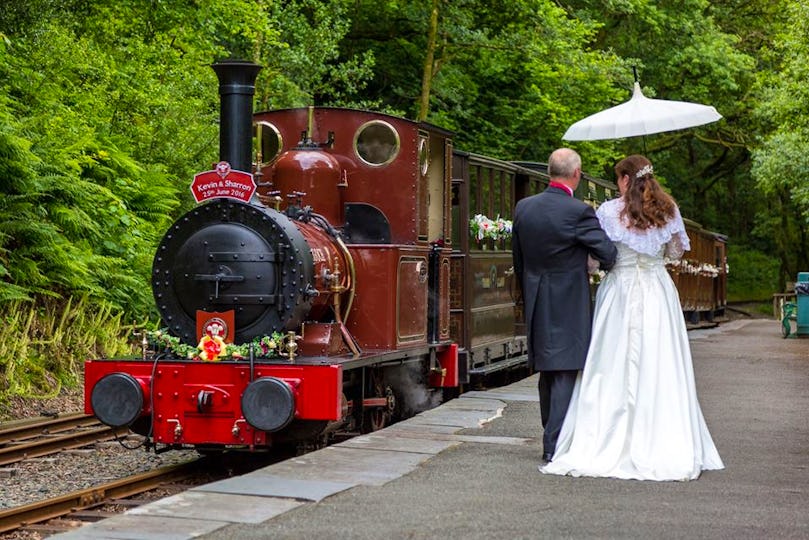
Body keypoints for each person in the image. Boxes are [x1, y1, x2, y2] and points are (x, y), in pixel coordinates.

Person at [540, 154, 724, 481]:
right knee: (660, 361)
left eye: (618, 179)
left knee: (611, 360)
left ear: (625, 180)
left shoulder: (609, 212)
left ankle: (604, 438)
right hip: (656, 290)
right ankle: (664, 439)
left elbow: (596, 260)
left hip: (620, 292)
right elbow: (675, 253)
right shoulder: (668, 209)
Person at [512, 148, 617, 464]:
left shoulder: (524, 208)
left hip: (536, 296)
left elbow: (518, 259)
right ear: (576, 174)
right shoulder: (579, 212)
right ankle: (554, 444)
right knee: (567, 370)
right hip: (568, 299)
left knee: (547, 369)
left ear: (549, 172)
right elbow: (608, 255)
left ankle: (552, 435)